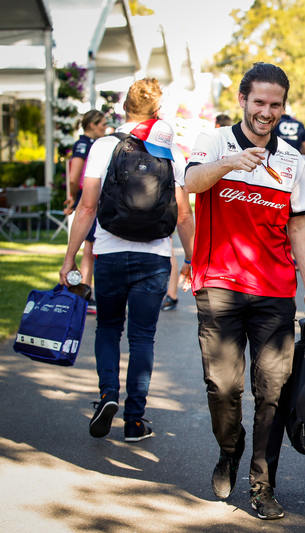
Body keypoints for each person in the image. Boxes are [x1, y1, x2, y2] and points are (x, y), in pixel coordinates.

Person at [184, 62, 305, 521]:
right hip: (219, 284)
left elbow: (298, 226)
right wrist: (227, 164)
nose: (266, 112)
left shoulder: (293, 160)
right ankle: (230, 450)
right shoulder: (213, 142)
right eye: (259, 102)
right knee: (222, 387)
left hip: (274, 289)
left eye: (275, 104)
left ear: (284, 106)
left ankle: (263, 484)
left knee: (273, 390)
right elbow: (190, 183)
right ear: (242, 100)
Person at [58, 78, 195, 443]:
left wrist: (70, 258)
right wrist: (191, 260)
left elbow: (87, 206)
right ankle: (135, 420)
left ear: (123, 108)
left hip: (110, 254)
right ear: (156, 111)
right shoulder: (170, 151)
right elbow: (182, 215)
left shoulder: (104, 145)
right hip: (153, 257)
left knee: (107, 328)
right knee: (142, 338)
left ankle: (107, 395)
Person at [63, 110, 107, 314]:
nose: (104, 128)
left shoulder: (95, 144)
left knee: (90, 249)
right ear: (91, 125)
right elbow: (74, 176)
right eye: (102, 124)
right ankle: (85, 295)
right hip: (86, 197)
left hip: (91, 197)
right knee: (89, 249)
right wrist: (73, 198)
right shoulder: (84, 145)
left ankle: (86, 294)